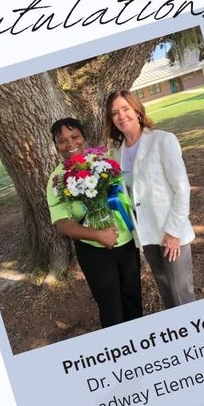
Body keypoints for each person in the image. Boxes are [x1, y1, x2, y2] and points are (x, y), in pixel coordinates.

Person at [46, 117, 142, 328]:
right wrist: (99, 235)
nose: (70, 144)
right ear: (56, 145)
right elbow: (62, 223)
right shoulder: (57, 179)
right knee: (112, 310)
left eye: (75, 137)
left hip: (126, 243)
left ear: (84, 137)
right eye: (62, 141)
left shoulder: (104, 162)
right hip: (94, 252)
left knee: (133, 300)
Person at [105, 90, 196, 309]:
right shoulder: (116, 151)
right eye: (114, 113)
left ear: (136, 110)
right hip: (145, 233)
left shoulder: (162, 140)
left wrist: (174, 233)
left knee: (181, 293)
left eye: (125, 109)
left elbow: (182, 189)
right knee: (165, 289)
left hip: (170, 232)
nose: (121, 116)